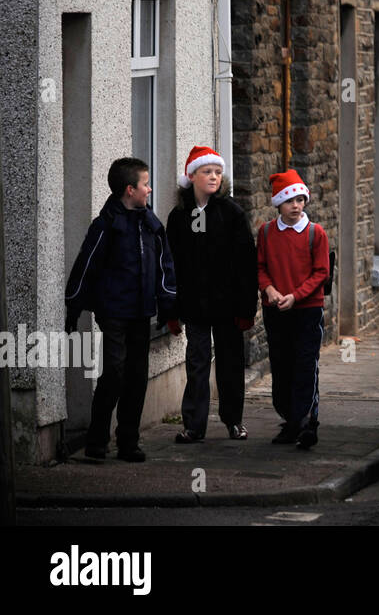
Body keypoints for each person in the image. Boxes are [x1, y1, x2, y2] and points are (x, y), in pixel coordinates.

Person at [64, 157, 178, 462]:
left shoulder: (151, 224)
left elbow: (165, 266)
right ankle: (96, 440)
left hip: (142, 311)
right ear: (130, 189)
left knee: (136, 375)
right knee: (113, 372)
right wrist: (74, 304)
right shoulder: (106, 225)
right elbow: (85, 265)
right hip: (113, 310)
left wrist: (167, 303)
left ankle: (128, 441)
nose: (150, 189)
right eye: (145, 184)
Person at [165, 146, 258, 443]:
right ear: (191, 176)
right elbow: (171, 265)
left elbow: (247, 263)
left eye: (217, 172)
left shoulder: (231, 213)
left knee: (230, 364)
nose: (214, 177)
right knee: (197, 362)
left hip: (228, 306)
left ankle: (234, 421)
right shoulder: (179, 217)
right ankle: (194, 425)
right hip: (194, 306)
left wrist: (246, 309)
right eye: (207, 172)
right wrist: (171, 310)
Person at [256, 169, 330, 449]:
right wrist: (270, 290)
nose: (296, 206)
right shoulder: (266, 232)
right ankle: (290, 419)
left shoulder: (315, 233)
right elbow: (260, 267)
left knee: (305, 364)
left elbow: (321, 272)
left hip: (307, 309)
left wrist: (295, 296)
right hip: (275, 309)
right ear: (279, 204)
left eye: (300, 200)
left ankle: (308, 422)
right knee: (282, 364)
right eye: (289, 201)